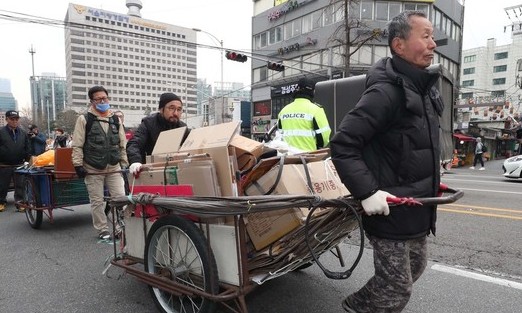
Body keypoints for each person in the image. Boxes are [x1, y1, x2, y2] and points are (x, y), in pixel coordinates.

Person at [330, 11, 442, 313]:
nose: (433, 43)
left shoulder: (425, 88)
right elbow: (343, 145)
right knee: (396, 289)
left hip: (417, 206)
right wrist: (367, 192)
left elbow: (414, 147)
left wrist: (433, 179)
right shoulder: (385, 92)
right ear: (399, 45)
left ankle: (356, 305)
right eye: (426, 36)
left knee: (415, 268)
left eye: (433, 36)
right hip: (389, 208)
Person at [71, 86, 128, 240]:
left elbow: (122, 143)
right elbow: (77, 144)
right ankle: (102, 229)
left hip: (114, 166)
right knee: (97, 200)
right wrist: (78, 165)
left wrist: (124, 164)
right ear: (92, 101)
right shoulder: (84, 119)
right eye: (99, 99)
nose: (103, 101)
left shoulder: (115, 119)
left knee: (120, 198)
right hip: (92, 167)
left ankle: (120, 227)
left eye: (105, 98)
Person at [126, 92, 189, 175]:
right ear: (161, 109)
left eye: (179, 109)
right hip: (150, 170)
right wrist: (135, 161)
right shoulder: (148, 123)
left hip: (174, 170)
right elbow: (134, 143)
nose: (175, 113)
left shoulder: (182, 127)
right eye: (171, 108)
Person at [277, 77, 331, 152]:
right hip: (308, 157)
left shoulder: (284, 111)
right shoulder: (316, 110)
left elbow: (279, 136)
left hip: (287, 158)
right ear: (313, 91)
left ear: (297, 89)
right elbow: (324, 137)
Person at [0, 110, 31, 212]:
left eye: (16, 119)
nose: (14, 121)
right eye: (12, 119)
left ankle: (20, 203)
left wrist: (28, 159)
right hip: (4, 164)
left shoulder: (23, 133)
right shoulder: (1, 132)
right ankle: (1, 202)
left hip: (19, 164)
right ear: (7, 119)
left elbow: (27, 147)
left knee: (20, 185)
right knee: (2, 185)